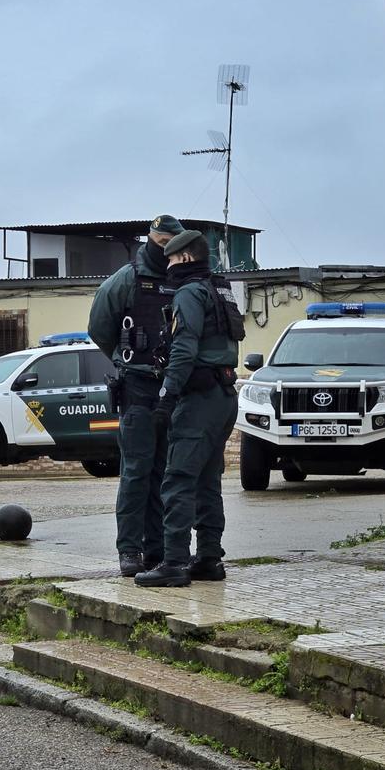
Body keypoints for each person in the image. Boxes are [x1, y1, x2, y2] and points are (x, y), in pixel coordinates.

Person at [135, 229, 243, 588]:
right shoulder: (219, 289)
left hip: (198, 398)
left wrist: (167, 395)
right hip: (224, 395)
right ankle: (209, 558)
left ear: (183, 258)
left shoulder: (189, 294)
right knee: (207, 480)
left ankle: (175, 563)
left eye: (169, 259)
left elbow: (184, 348)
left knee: (178, 479)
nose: (166, 265)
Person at [87, 214, 182, 576]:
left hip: (171, 389)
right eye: (161, 244)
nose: (166, 251)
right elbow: (99, 329)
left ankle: (156, 551)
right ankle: (129, 550)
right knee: (136, 473)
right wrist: (127, 360)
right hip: (138, 387)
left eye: (171, 246)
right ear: (151, 240)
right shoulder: (125, 280)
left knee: (164, 473)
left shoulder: (181, 279)